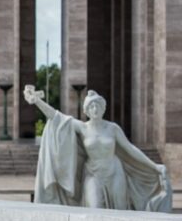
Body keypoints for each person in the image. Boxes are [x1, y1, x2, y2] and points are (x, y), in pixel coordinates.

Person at [24, 86, 172, 211]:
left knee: (120, 211)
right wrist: (37, 101)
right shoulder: (82, 128)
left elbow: (131, 150)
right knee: (95, 208)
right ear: (87, 111)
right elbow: (56, 117)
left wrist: (155, 166)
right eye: (91, 106)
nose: (95, 109)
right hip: (93, 173)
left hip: (115, 172)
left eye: (98, 106)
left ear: (103, 109)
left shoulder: (112, 128)